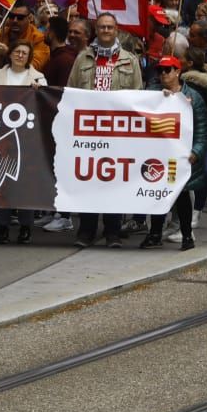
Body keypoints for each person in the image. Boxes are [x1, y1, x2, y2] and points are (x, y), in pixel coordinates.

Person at [68, 13, 145, 247]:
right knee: (88, 181)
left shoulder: (129, 60)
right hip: (88, 130)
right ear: (96, 30)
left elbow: (138, 94)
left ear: (116, 29)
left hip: (117, 131)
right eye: (101, 27)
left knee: (114, 182)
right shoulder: (83, 58)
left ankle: (112, 233)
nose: (105, 31)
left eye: (109, 27)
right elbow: (71, 90)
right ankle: (86, 232)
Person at [144, 56, 207, 250]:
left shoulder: (194, 97)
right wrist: (155, 99)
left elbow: (203, 128)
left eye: (168, 70)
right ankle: (154, 233)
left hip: (181, 157)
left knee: (181, 195)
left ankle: (187, 235)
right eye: (160, 70)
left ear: (178, 71)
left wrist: (196, 152)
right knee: (157, 194)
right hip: (157, 156)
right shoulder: (151, 93)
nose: (163, 74)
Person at [0, 40, 46, 244]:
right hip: (2, 137)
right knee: (3, 183)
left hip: (28, 138)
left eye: (24, 53)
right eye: (17, 51)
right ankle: (2, 226)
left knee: (25, 185)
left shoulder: (39, 78)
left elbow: (44, 105)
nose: (20, 55)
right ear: (10, 54)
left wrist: (40, 92)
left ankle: (25, 226)